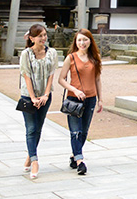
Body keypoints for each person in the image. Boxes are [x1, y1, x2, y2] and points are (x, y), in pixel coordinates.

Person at [58, 27, 102, 175]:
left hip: (90, 99)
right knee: (75, 131)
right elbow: (61, 79)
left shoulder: (95, 58)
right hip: (74, 99)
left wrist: (100, 99)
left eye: (85, 40)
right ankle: (80, 161)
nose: (82, 43)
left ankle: (74, 155)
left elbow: (97, 80)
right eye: (79, 40)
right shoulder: (70, 58)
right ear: (75, 42)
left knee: (84, 132)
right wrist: (75, 90)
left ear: (90, 41)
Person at [18, 23, 58, 180]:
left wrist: (46, 95)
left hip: (45, 96)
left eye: (45, 35)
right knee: (31, 128)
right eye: (40, 35)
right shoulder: (26, 54)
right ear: (32, 38)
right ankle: (34, 161)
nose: (43, 38)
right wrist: (33, 97)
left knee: (39, 128)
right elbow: (26, 75)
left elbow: (51, 75)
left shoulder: (52, 53)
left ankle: (30, 154)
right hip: (28, 96)